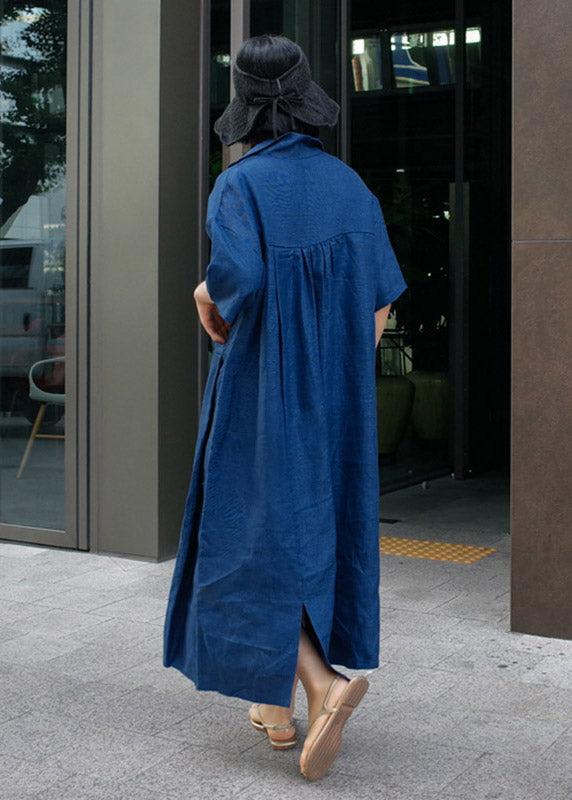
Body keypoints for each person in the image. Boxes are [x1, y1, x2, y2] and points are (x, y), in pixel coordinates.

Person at [163, 33, 408, 781]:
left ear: (242, 104)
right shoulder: (350, 187)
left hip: (260, 395)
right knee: (311, 534)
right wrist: (334, 374)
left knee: (246, 540)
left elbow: (237, 285)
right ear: (306, 99)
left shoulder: (239, 186)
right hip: (339, 401)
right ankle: (274, 710)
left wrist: (203, 290)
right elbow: (379, 306)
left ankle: (321, 686)